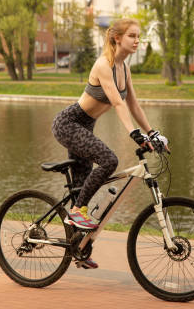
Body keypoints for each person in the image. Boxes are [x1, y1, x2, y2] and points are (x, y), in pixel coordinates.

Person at [51, 18, 167, 269]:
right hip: (69, 124)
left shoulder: (124, 68)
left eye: (139, 36)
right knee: (109, 160)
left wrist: (152, 132)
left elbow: (133, 104)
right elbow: (117, 103)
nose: (137, 41)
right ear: (117, 38)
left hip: (85, 127)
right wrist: (134, 134)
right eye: (132, 36)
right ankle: (77, 210)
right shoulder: (104, 65)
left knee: (82, 186)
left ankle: (77, 250)